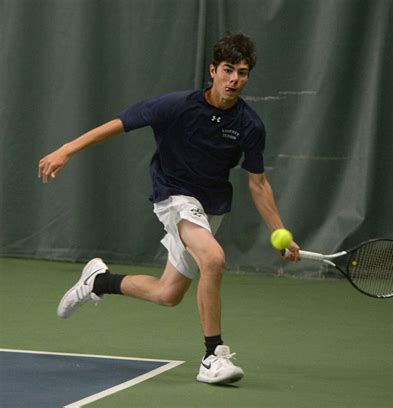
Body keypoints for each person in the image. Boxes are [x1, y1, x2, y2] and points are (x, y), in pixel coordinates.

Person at [38, 32, 300, 384]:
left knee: (168, 293)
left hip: (210, 209)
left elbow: (258, 182)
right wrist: (67, 150)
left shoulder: (250, 125)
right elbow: (119, 124)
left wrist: (280, 233)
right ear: (212, 71)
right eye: (228, 70)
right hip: (175, 197)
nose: (235, 79)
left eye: (242, 72)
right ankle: (213, 356)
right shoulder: (176, 106)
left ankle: (98, 281)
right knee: (214, 259)